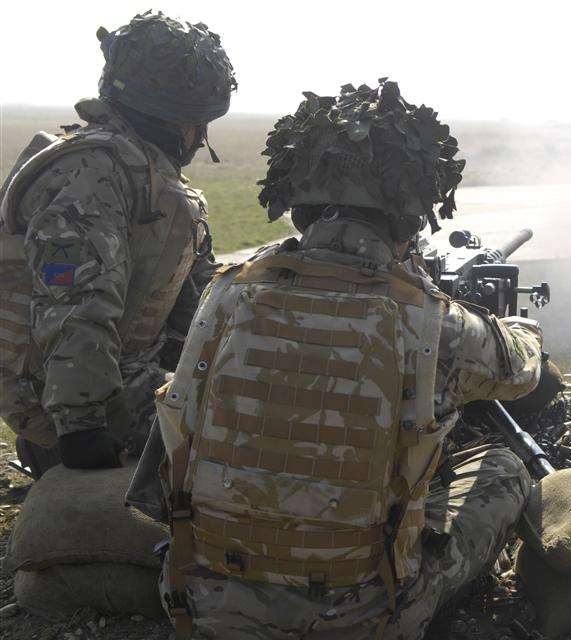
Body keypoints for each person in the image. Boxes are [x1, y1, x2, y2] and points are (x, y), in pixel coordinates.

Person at [142, 80, 544, 639]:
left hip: (203, 605)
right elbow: (521, 370)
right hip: (361, 621)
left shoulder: (228, 292)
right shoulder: (427, 318)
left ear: (301, 205)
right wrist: (512, 323)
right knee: (503, 469)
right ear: (408, 215)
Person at [0, 11, 236, 475]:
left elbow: (200, 299)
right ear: (178, 121)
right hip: (63, 395)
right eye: (198, 122)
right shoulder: (90, 173)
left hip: (115, 374)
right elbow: (74, 303)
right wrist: (82, 425)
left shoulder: (148, 178)